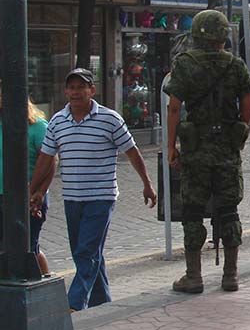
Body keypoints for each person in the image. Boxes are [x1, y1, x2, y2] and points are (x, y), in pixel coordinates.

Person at [29, 68, 157, 311]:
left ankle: (75, 304)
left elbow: (132, 152)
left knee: (86, 251)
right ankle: (102, 302)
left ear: (92, 90)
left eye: (81, 87)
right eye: (72, 87)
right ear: (66, 91)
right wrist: (33, 191)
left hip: (101, 197)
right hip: (72, 198)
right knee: (86, 251)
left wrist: (147, 184)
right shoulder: (57, 121)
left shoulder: (110, 119)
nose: (76, 92)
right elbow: (45, 158)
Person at [164, 10, 250, 293]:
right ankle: (230, 275)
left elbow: (175, 107)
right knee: (229, 210)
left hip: (195, 151)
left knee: (192, 211)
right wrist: (237, 134)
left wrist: (170, 147)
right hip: (226, 150)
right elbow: (248, 108)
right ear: (223, 35)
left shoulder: (184, 64)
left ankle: (194, 276)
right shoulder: (236, 64)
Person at [0, 84, 51, 275]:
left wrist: (39, 191)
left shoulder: (37, 126)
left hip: (27, 197)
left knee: (28, 247)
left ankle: (46, 284)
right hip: (1, 194)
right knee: (5, 249)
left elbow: (50, 161)